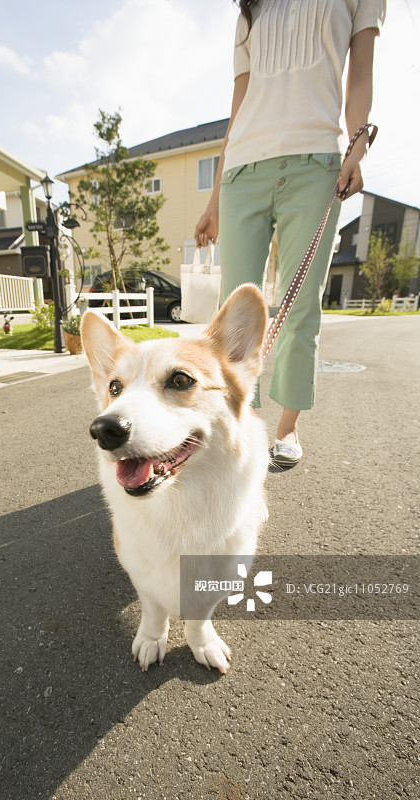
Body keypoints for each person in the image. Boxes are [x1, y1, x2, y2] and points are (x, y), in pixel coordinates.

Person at [195, 0, 386, 466]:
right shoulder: (251, 10)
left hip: (316, 162)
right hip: (243, 169)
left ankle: (287, 428)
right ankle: (239, 430)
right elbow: (237, 108)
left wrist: (357, 146)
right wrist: (214, 197)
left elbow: (359, 75)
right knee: (234, 314)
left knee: (302, 306)